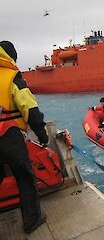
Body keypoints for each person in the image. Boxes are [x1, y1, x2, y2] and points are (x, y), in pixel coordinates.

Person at [0, 41, 48, 233]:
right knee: (25, 178)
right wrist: (42, 135)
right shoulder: (11, 77)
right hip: (8, 136)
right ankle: (32, 221)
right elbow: (31, 110)